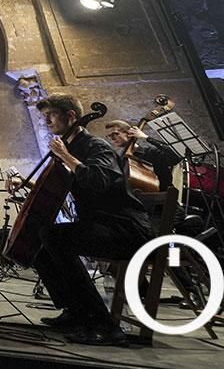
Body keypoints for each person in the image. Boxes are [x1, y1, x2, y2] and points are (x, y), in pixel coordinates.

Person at [26, 94, 152, 346]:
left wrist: (66, 157)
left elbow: (97, 180)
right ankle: (75, 311)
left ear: (71, 116)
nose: (47, 120)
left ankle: (104, 326)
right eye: (45, 116)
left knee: (53, 236)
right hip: (99, 227)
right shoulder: (71, 148)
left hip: (125, 230)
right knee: (36, 240)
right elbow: (62, 187)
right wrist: (25, 183)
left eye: (51, 114)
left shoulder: (96, 147)